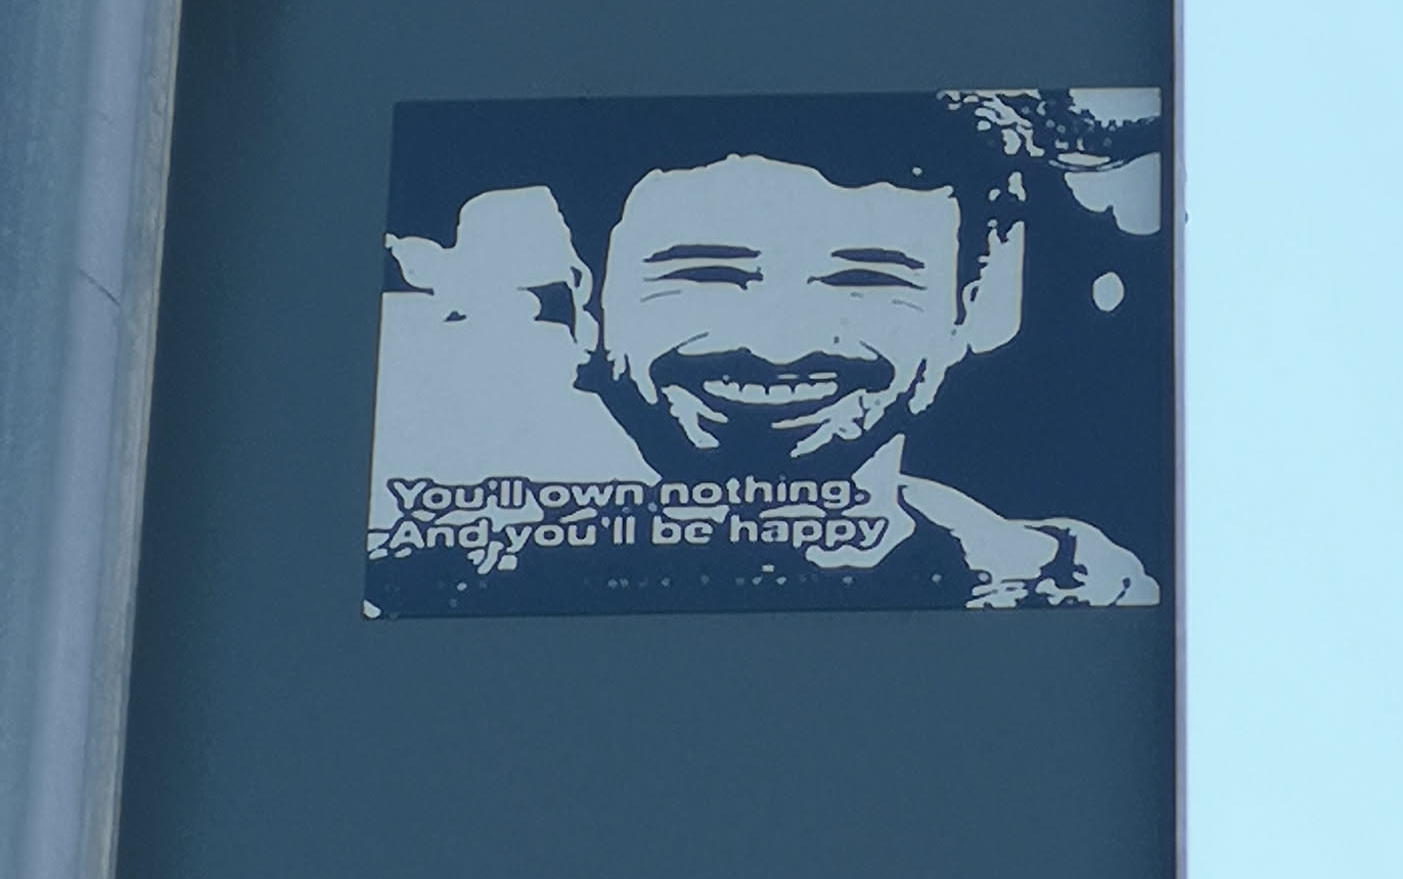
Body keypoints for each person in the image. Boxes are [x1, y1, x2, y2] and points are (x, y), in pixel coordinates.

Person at [364, 89, 1161, 614]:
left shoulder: (1061, 586)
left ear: (982, 300)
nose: (779, 345)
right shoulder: (434, 571)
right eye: (704, 274)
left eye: (867, 278)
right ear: (586, 301)